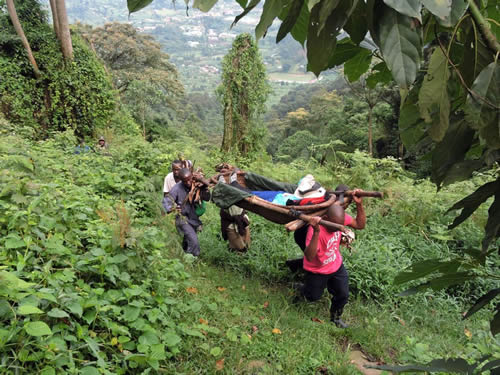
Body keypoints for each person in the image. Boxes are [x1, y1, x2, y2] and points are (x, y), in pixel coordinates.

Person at [291, 190, 365, 328]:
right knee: (312, 296)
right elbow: (309, 256)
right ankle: (302, 290)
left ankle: (336, 318)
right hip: (317, 270)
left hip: (336, 265)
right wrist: (317, 231)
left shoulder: (339, 219)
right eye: (336, 226)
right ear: (326, 218)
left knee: (343, 294)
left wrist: (359, 205)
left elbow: (360, 225)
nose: (338, 228)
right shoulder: (315, 230)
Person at [162, 168, 210, 257]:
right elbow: (166, 202)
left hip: (194, 217)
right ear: (181, 180)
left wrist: (205, 188)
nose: (188, 183)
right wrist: (174, 208)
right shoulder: (176, 188)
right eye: (185, 181)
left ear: (192, 176)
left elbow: (207, 198)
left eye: (189, 180)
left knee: (188, 239)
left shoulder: (197, 184)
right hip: (182, 219)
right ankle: (192, 260)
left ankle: (184, 255)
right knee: (194, 241)